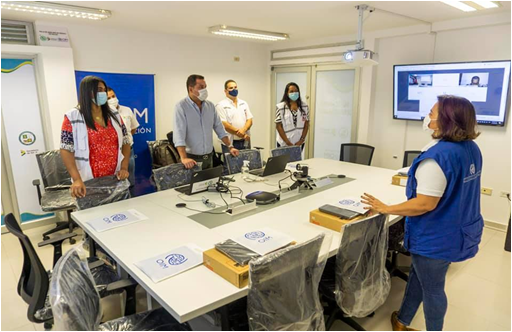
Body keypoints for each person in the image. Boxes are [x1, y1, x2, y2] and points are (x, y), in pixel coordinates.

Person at [361, 95, 483, 331]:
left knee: (433, 290)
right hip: (458, 229)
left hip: (435, 237)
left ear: (445, 121)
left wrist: (386, 208)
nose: (427, 117)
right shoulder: (471, 148)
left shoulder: (437, 158)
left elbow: (424, 204)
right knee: (420, 276)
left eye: (432, 113)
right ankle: (402, 321)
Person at [60, 76, 132, 198]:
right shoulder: (72, 117)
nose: (102, 93)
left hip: (115, 178)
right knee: (93, 216)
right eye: (98, 89)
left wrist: (124, 167)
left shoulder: (114, 114)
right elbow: (66, 150)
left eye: (103, 90)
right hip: (88, 182)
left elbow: (126, 141)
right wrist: (76, 179)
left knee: (121, 214)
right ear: (87, 92)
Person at [173, 74, 239, 169]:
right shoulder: (181, 107)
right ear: (191, 89)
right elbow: (179, 134)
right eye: (201, 87)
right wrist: (183, 158)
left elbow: (219, 128)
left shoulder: (210, 106)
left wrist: (230, 146)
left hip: (209, 157)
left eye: (205, 87)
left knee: (209, 183)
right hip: (191, 159)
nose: (204, 90)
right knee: (195, 184)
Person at [107, 87, 140, 196]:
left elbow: (133, 129)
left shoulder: (127, 110)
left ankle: (131, 202)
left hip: (128, 151)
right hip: (112, 154)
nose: (112, 99)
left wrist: (124, 141)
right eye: (108, 98)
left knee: (130, 181)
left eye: (113, 96)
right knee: (114, 184)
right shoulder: (103, 115)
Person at [216, 79, 253, 155]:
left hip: (245, 141)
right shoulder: (221, 105)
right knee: (231, 165)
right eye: (231, 88)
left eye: (235, 87)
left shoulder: (243, 103)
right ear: (225, 91)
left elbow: (249, 120)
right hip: (230, 143)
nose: (234, 89)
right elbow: (225, 125)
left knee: (246, 164)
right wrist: (241, 134)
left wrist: (244, 130)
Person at [275, 82, 310, 151]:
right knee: (283, 161)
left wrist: (301, 140)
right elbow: (279, 126)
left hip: (299, 143)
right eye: (291, 91)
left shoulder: (304, 106)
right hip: (284, 143)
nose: (294, 93)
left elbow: (306, 124)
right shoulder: (280, 107)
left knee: (296, 161)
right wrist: (288, 143)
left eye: (296, 91)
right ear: (287, 93)